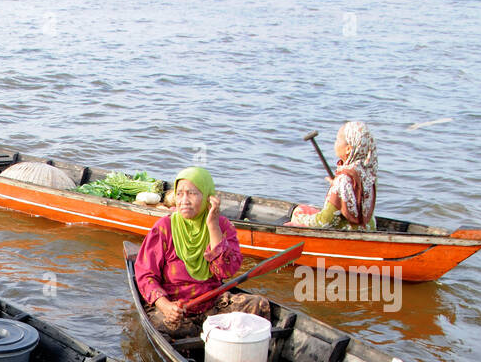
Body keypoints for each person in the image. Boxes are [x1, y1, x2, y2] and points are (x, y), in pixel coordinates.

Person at [134, 166, 269, 338]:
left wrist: (213, 226)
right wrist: (165, 306)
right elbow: (145, 275)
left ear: (207, 198)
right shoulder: (164, 228)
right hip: (177, 309)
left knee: (259, 305)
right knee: (165, 328)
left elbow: (226, 271)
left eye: (192, 193)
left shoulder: (223, 226)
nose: (184, 200)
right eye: (180, 193)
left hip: (212, 305)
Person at [286, 121, 378, 230]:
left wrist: (299, 217)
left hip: (348, 232)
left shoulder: (344, 179)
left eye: (337, 140)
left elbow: (325, 222)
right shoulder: (367, 172)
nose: (335, 143)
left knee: (298, 211)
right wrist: (336, 186)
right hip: (369, 228)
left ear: (348, 149)